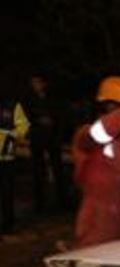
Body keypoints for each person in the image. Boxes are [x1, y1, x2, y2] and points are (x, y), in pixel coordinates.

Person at [72, 76, 120, 248]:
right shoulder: (87, 133)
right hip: (97, 215)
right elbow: (100, 133)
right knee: (95, 248)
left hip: (118, 210)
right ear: (111, 106)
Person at [23, 74, 68, 211]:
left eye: (38, 82)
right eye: (33, 83)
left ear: (44, 83)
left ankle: (61, 201)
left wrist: (54, 124)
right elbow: (26, 117)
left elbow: (60, 115)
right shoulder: (28, 100)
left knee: (57, 169)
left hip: (53, 139)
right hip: (37, 138)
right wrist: (37, 121)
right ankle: (40, 204)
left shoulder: (53, 98)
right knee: (38, 171)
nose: (36, 85)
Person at [0, 96, 30, 234]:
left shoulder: (11, 105)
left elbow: (23, 125)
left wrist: (12, 137)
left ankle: (8, 223)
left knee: (7, 190)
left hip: (6, 154)